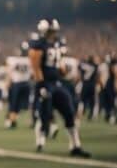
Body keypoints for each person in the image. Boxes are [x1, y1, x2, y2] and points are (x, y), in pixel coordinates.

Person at [29, 19, 90, 157]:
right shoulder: (38, 44)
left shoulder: (57, 43)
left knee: (69, 111)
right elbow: (36, 67)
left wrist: (62, 71)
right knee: (44, 114)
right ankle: (40, 142)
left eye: (54, 31)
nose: (53, 34)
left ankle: (75, 146)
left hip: (57, 83)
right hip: (45, 84)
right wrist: (42, 85)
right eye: (50, 31)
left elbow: (58, 63)